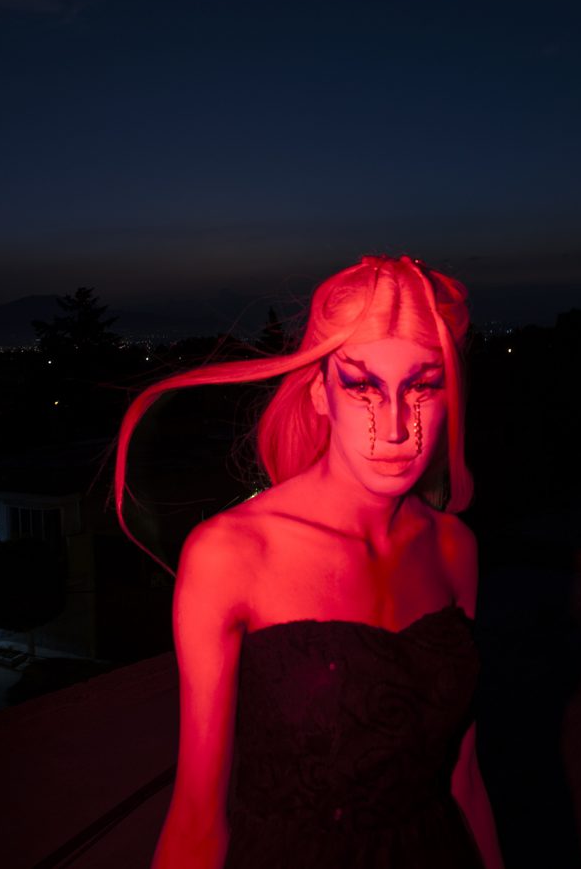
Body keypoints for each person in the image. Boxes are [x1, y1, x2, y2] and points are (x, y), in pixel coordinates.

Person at [115, 256, 505, 869]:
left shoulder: (455, 547)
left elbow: (465, 778)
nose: (395, 428)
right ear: (321, 392)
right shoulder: (233, 554)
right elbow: (197, 820)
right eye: (363, 386)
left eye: (423, 386)